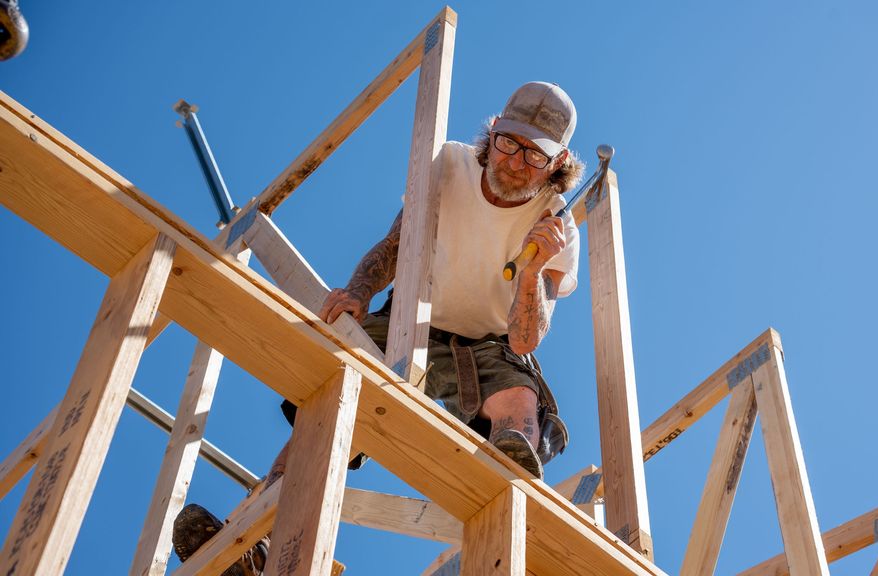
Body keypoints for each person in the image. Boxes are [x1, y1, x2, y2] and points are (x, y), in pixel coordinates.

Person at [172, 81, 584, 571]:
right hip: (414, 313)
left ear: (557, 164)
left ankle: (507, 488)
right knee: (334, 399)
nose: (514, 163)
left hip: (490, 341)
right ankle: (256, 535)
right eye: (508, 143)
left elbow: (523, 340)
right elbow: (396, 243)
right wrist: (358, 292)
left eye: (533, 156)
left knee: (518, 400)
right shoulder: (450, 165)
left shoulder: (557, 228)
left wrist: (535, 271)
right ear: (493, 130)